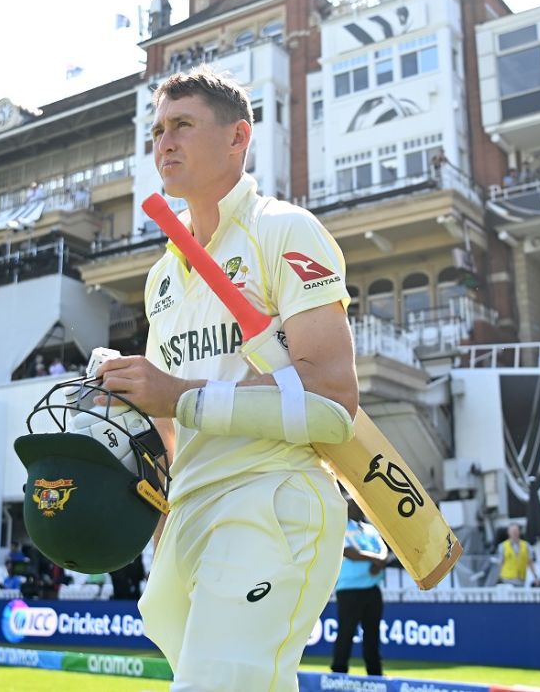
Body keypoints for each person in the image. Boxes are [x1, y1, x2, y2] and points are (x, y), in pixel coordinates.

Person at [94, 68, 358, 691]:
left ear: (238, 137)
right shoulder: (162, 275)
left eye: (182, 125)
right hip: (188, 514)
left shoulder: (285, 229)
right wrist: (161, 522)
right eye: (157, 130)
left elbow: (333, 401)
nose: (164, 142)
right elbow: (164, 421)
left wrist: (180, 397)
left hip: (272, 496)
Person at [331, 498, 388, 677]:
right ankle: (338, 673)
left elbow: (383, 549)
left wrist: (380, 561)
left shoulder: (370, 529)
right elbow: (348, 552)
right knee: (346, 632)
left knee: (372, 634)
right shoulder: (339, 528)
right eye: (356, 505)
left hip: (372, 589)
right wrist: (375, 559)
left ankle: (375, 674)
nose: (360, 508)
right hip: (349, 590)